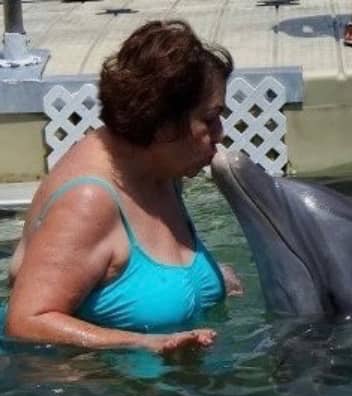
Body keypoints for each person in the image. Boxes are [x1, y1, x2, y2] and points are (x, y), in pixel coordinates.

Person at [5, 20, 242, 353]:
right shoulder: (88, 202)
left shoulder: (161, 169)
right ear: (164, 125)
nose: (219, 133)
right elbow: (26, 322)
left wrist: (213, 278)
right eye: (210, 118)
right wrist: (141, 342)